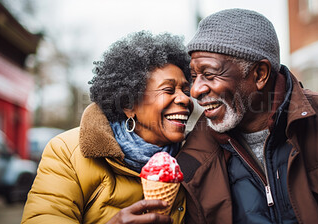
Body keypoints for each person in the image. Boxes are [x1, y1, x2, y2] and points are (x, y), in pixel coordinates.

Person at [176, 8, 318, 224]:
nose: (195, 91)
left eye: (209, 75)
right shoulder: (191, 158)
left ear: (260, 74)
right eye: (194, 77)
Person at [21, 31, 193, 224]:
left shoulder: (197, 157)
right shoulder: (67, 152)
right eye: (168, 90)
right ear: (129, 105)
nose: (185, 99)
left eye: (187, 91)